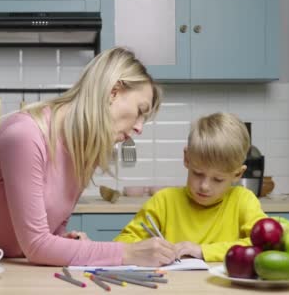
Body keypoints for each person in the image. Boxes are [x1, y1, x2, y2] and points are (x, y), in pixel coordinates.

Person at [0, 47, 176, 267]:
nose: (139, 128)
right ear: (113, 92)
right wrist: (128, 253)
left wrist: (65, 239)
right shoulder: (26, 136)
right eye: (140, 112)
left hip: (14, 269)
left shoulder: (85, 150)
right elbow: (37, 246)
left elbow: (50, 230)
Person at [114, 112, 268, 262]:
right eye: (198, 173)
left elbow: (265, 245)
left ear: (237, 174)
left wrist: (203, 251)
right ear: (187, 158)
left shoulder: (243, 201)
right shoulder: (164, 201)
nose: (205, 186)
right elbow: (121, 243)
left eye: (218, 179)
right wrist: (148, 249)